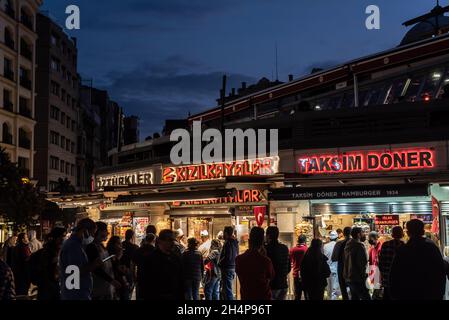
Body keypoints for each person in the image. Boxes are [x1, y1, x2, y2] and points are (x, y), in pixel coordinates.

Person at [390, 219, 446, 300]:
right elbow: (440, 272)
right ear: (423, 232)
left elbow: (394, 276)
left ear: (407, 233)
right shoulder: (432, 248)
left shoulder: (402, 250)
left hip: (407, 294)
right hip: (430, 294)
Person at [60, 218, 102, 300]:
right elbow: (74, 272)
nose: (93, 237)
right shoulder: (73, 246)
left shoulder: (77, 245)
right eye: (92, 234)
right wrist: (94, 265)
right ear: (85, 231)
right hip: (76, 295)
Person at [141, 229, 184, 300]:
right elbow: (145, 281)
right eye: (169, 240)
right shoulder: (150, 258)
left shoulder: (176, 258)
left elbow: (180, 279)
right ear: (160, 241)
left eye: (173, 240)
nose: (172, 243)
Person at [236, 227, 275, 300]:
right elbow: (271, 277)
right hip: (263, 297)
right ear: (262, 242)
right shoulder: (266, 261)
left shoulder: (239, 259)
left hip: (246, 297)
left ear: (249, 241)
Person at [86, 222, 120, 300]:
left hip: (107, 289)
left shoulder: (101, 246)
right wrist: (112, 281)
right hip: (98, 290)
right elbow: (96, 269)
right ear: (98, 231)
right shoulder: (91, 247)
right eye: (105, 230)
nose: (107, 233)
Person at [30, 227, 66, 300]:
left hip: (50, 287)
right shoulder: (49, 252)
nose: (63, 239)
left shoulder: (55, 250)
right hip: (48, 288)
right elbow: (48, 269)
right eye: (62, 236)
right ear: (57, 238)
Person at [378, 226, 405, 300]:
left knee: (387, 296)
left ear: (392, 234)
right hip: (400, 279)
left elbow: (380, 262)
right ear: (402, 234)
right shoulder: (404, 245)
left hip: (387, 278)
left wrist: (383, 275)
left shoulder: (385, 245)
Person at [343, 227, 370, 300]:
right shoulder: (359, 246)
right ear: (358, 234)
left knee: (354, 297)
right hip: (357, 277)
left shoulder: (348, 244)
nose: (364, 234)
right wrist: (364, 275)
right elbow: (361, 263)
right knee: (365, 296)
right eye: (362, 233)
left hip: (349, 277)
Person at [265, 226, 290, 300]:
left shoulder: (266, 249)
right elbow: (288, 267)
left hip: (272, 285)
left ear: (268, 235)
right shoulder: (284, 248)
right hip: (283, 284)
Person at [133, 233, 156, 300]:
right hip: (152, 279)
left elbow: (133, 264)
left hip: (140, 278)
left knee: (140, 296)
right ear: (154, 240)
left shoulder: (138, 250)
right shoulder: (155, 251)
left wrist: (133, 276)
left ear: (145, 239)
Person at [219, 226, 239, 300]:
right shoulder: (235, 242)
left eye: (224, 232)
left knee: (227, 290)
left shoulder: (228, 243)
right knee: (228, 288)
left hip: (227, 268)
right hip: (232, 267)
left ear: (226, 233)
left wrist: (220, 262)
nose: (223, 234)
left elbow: (228, 256)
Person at [331, 226, 351, 300]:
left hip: (342, 269)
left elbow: (333, 258)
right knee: (353, 291)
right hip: (352, 270)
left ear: (343, 233)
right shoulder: (357, 244)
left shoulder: (339, 243)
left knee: (344, 291)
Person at [107, 236, 129, 300]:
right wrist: (118, 257)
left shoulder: (118, 254)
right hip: (114, 285)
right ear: (113, 244)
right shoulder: (110, 255)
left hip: (120, 284)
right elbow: (113, 268)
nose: (121, 245)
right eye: (119, 243)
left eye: (120, 243)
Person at [290, 234, 308, 300]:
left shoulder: (292, 250)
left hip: (296, 274)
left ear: (298, 241)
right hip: (306, 275)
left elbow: (290, 261)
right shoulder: (307, 249)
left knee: (297, 295)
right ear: (305, 241)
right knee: (307, 295)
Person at [121, 229, 138, 300]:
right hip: (129, 270)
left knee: (122, 290)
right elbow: (135, 262)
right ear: (132, 236)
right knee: (129, 290)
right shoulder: (135, 247)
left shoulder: (121, 244)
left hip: (120, 270)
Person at [323, 230, 339, 300]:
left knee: (328, 289)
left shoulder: (325, 246)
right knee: (334, 290)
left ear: (329, 238)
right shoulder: (338, 245)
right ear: (337, 238)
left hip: (326, 269)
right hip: (335, 269)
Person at [368, 231, 382, 299]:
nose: (369, 240)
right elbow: (370, 263)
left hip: (379, 275)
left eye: (370, 238)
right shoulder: (371, 248)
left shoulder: (380, 248)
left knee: (377, 295)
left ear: (375, 238)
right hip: (374, 275)